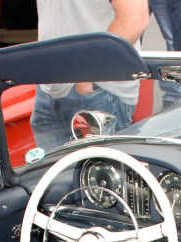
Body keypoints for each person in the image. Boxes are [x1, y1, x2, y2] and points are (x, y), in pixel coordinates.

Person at [31, 0, 149, 151]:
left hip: (96, 88)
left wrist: (87, 73)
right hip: (50, 87)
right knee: (53, 173)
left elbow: (135, 18)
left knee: (99, 171)